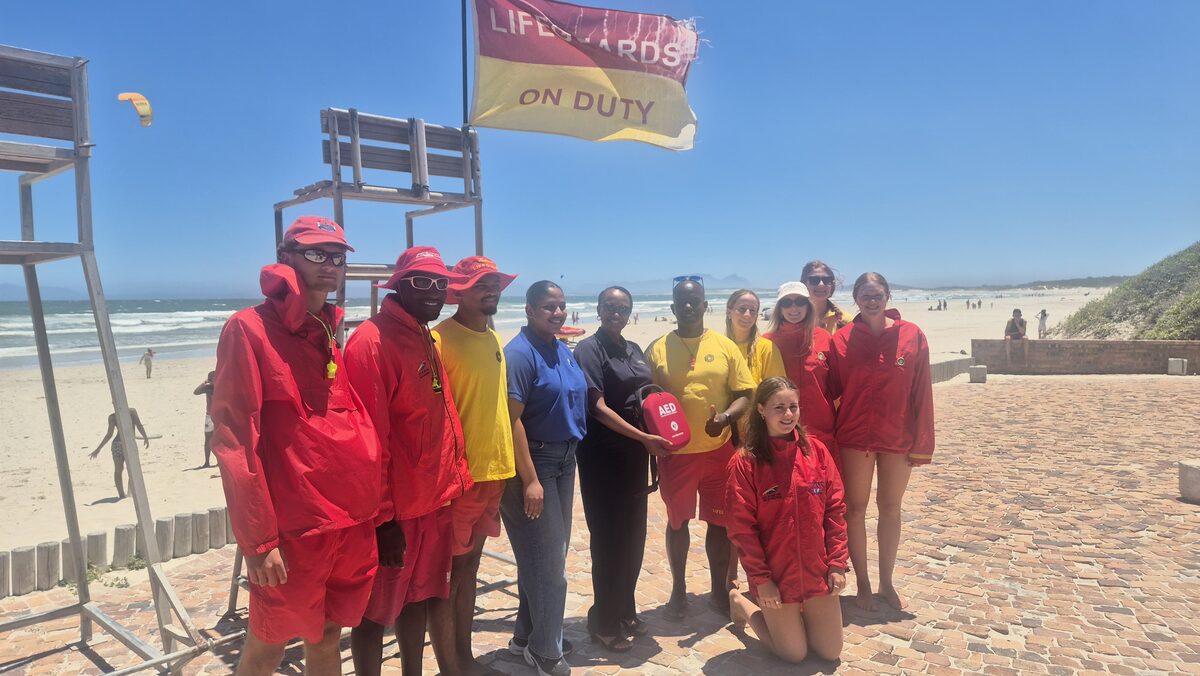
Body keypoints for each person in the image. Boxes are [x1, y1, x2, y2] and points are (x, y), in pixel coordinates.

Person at [211, 216, 380, 676]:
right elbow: (235, 440)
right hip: (293, 528)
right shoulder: (248, 329)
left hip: (348, 519)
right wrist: (259, 541)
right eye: (316, 253)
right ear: (287, 258)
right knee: (268, 642)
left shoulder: (326, 328)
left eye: (338, 255)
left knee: (327, 636)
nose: (330, 264)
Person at [345, 247, 473, 676]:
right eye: (422, 282)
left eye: (440, 283)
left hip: (434, 500)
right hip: (398, 511)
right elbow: (369, 442)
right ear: (398, 284)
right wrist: (383, 521)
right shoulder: (372, 341)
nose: (434, 292)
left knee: (419, 598)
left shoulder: (423, 334)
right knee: (373, 613)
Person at [644, 277, 755, 618]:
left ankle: (718, 591)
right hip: (675, 454)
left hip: (719, 451)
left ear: (706, 306)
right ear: (673, 307)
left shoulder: (724, 346)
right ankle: (678, 590)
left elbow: (746, 394)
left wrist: (724, 417)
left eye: (696, 301)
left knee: (718, 525)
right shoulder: (657, 348)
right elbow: (646, 397)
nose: (689, 306)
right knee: (677, 523)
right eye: (682, 301)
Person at [433, 255, 520, 676]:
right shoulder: (439, 340)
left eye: (495, 284)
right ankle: (452, 666)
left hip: (494, 472)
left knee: (469, 570)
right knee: (448, 576)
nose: (491, 291)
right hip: (460, 477)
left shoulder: (494, 338)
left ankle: (463, 659)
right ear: (459, 291)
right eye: (481, 285)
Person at [573, 287, 673, 652]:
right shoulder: (588, 349)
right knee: (609, 540)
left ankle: (625, 608)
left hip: (636, 455)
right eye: (610, 307)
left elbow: (647, 394)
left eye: (623, 308)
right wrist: (643, 438)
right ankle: (602, 620)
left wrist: (665, 429)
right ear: (599, 309)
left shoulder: (632, 349)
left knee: (633, 537)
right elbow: (596, 407)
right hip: (603, 456)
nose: (617, 313)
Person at [832, 272, 934, 611]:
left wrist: (922, 442)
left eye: (877, 294)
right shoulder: (842, 339)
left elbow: (922, 391)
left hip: (897, 435)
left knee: (890, 508)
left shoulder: (912, 336)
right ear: (856, 298)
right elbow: (829, 390)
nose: (871, 299)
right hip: (854, 435)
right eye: (864, 294)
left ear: (888, 296)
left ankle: (886, 582)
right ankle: (862, 582)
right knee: (855, 509)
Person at [726, 377, 847, 663]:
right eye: (778, 408)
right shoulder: (745, 461)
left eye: (793, 406)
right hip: (777, 576)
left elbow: (835, 510)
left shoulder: (815, 451)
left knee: (831, 652)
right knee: (794, 653)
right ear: (761, 410)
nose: (788, 415)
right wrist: (761, 580)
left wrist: (837, 564)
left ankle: (798, 620)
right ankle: (741, 603)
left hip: (817, 570)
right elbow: (742, 529)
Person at [503, 280, 589, 676]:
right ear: (529, 310)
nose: (558, 313)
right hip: (534, 464)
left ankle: (529, 635)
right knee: (550, 565)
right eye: (549, 307)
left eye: (562, 307)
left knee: (546, 557)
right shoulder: (520, 354)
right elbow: (512, 420)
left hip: (564, 461)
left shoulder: (560, 348)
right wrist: (530, 479)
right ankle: (545, 651)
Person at [762, 282, 838, 460]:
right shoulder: (767, 342)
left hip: (823, 429)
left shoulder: (824, 338)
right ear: (779, 308)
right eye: (787, 303)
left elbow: (836, 387)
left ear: (808, 306)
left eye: (799, 301)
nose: (793, 307)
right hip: (782, 430)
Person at [725, 289, 786, 387]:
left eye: (752, 310)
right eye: (742, 309)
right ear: (729, 312)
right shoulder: (720, 347)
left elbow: (777, 390)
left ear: (756, 316)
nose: (747, 315)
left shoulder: (767, 348)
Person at [89, 408, 150, 499]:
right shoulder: (131, 412)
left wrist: (98, 449)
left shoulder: (113, 417)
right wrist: (145, 437)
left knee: (118, 470)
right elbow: (139, 425)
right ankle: (130, 493)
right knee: (132, 469)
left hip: (117, 444)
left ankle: (122, 495)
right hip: (129, 443)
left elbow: (109, 434)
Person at [801, 261, 847, 334]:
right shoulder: (794, 318)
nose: (821, 284)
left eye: (826, 280)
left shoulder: (846, 321)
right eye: (814, 280)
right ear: (804, 284)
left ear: (832, 285)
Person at [193, 370, 216, 468]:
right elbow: (196, 392)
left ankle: (220, 461)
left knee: (220, 440)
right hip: (209, 416)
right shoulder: (208, 388)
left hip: (220, 416)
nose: (214, 380)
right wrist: (205, 382)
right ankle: (207, 462)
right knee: (208, 439)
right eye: (212, 379)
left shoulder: (222, 387)